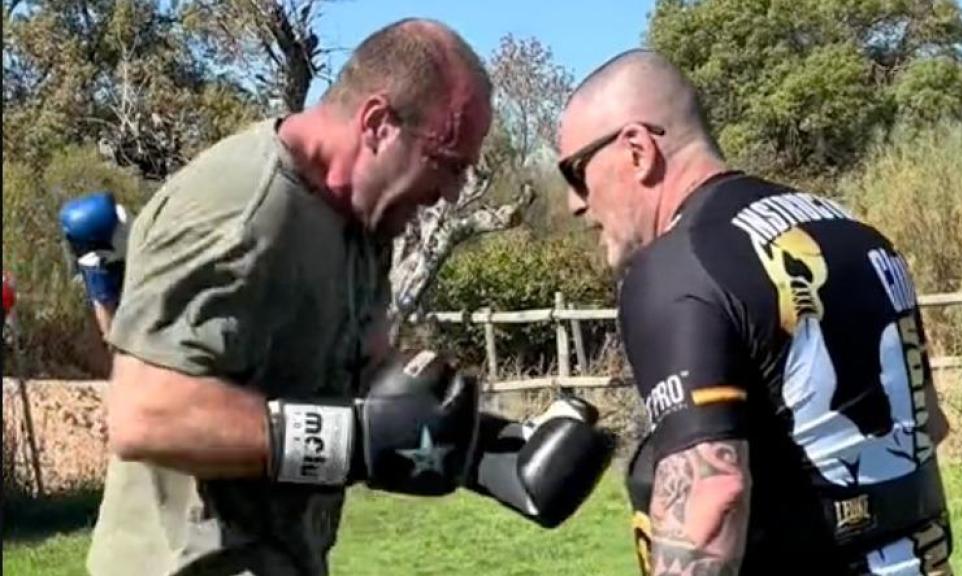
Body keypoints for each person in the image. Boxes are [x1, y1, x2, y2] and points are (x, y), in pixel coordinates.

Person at [61, 19, 614, 576]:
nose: (450, 192)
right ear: (377, 124)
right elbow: (145, 414)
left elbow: (368, 385)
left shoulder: (362, 224)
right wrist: (353, 441)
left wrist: (493, 451)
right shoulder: (238, 212)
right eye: (448, 163)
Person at [557, 49, 954, 576]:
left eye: (576, 172)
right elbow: (929, 422)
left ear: (636, 149)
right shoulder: (855, 234)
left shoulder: (674, 268)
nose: (573, 203)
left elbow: (711, 499)